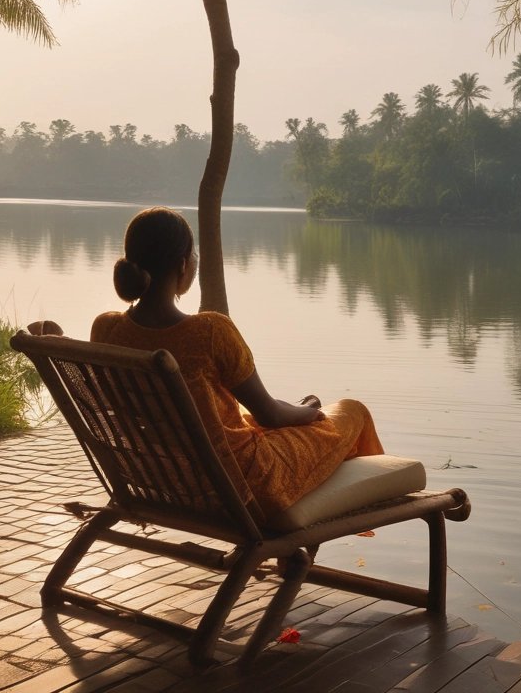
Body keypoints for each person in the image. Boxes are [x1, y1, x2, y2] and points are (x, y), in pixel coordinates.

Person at [29, 206, 384, 520]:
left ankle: (297, 549)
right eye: (194, 254)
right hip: (241, 485)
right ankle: (338, 515)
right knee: (351, 411)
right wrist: (309, 411)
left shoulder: (107, 328)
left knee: (253, 423)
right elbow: (271, 416)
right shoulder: (209, 332)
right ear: (184, 264)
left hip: (159, 476)